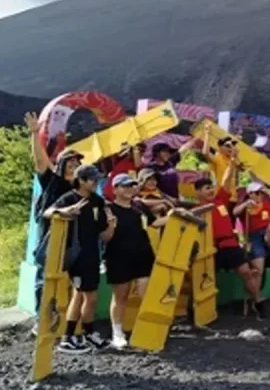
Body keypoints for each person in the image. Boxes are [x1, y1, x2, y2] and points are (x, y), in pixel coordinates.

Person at [24, 112, 85, 336]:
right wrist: (34, 134)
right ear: (61, 165)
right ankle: (42, 319)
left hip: (74, 239)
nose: (73, 165)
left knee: (70, 280)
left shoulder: (81, 189)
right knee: (44, 278)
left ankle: (65, 323)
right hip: (50, 236)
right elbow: (40, 160)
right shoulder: (52, 181)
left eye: (77, 163)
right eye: (69, 162)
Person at [43, 165, 116, 353]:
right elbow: (47, 213)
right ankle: (70, 337)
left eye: (97, 179)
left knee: (83, 295)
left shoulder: (97, 201)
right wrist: (67, 211)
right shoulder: (69, 198)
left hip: (93, 255)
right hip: (78, 256)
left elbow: (104, 235)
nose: (96, 182)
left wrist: (111, 226)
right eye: (92, 179)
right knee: (89, 296)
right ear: (81, 180)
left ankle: (85, 334)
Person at [194, 148, 270, 319]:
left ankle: (258, 302)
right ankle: (202, 310)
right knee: (205, 278)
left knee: (247, 273)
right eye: (207, 188)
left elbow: (226, 180)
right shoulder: (195, 210)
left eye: (211, 187)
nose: (211, 190)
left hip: (231, 245)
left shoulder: (219, 200)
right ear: (197, 192)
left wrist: (233, 161)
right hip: (211, 249)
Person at [102, 174, 172, 349]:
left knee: (146, 293)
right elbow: (104, 236)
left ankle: (149, 328)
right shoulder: (108, 209)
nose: (129, 189)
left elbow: (155, 223)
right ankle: (117, 333)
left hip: (143, 254)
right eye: (125, 186)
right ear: (115, 189)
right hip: (118, 256)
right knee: (121, 296)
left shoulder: (139, 207)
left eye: (132, 185)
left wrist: (174, 215)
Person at [233, 181, 270, 294]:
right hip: (254, 238)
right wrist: (246, 204)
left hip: (268, 235)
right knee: (259, 272)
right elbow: (235, 212)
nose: (260, 195)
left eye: (261, 193)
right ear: (250, 194)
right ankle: (256, 299)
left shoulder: (266, 204)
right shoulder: (246, 208)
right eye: (257, 193)